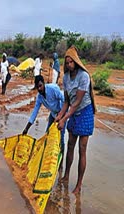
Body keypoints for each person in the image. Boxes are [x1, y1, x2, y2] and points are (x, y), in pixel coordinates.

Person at [56, 46, 96, 194]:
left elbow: (77, 102)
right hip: (72, 111)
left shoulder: (83, 76)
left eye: (71, 62)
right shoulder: (66, 77)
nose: (69, 65)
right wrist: (60, 115)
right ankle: (66, 175)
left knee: (82, 149)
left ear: (76, 62)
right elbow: (67, 101)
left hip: (84, 111)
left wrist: (65, 118)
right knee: (70, 144)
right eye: (67, 63)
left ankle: (79, 185)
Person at [22, 75, 65, 155]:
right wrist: (26, 129)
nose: (39, 89)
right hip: (53, 114)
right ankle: (48, 155)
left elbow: (64, 99)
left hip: (62, 112)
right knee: (48, 134)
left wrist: (61, 114)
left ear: (44, 83)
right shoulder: (39, 97)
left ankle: (61, 160)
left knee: (61, 138)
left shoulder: (53, 89)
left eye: (40, 86)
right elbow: (35, 112)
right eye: (37, 87)